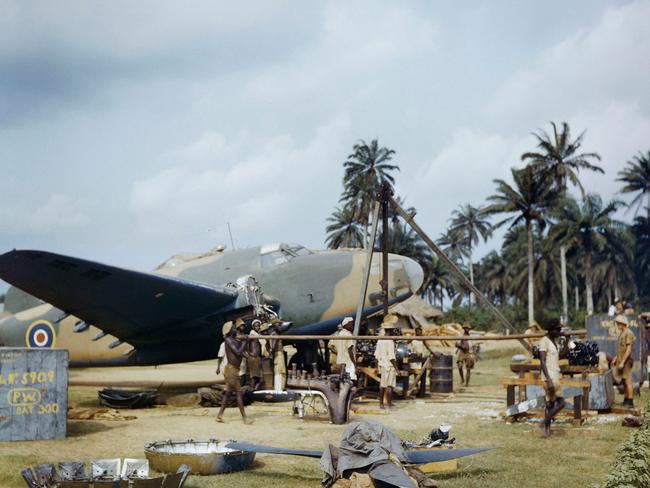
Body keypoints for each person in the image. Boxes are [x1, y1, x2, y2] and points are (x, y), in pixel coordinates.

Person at [216, 321, 253, 424]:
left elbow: (241, 352)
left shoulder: (234, 340)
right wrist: (245, 341)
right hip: (231, 370)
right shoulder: (228, 339)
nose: (235, 329)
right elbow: (237, 351)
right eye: (233, 328)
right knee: (239, 393)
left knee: (228, 394)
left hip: (234, 369)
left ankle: (219, 416)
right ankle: (245, 418)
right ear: (229, 331)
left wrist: (245, 344)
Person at [538, 318, 565, 436]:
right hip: (549, 376)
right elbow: (542, 361)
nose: (559, 331)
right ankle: (544, 422)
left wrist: (568, 341)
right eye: (558, 329)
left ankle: (546, 429)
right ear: (551, 330)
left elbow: (561, 355)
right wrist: (548, 379)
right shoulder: (544, 341)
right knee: (561, 403)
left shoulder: (555, 341)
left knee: (550, 403)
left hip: (555, 374)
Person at [374, 314, 399, 410]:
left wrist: (377, 367)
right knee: (389, 386)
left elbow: (376, 356)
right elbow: (392, 357)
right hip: (390, 366)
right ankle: (388, 403)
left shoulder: (380, 341)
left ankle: (381, 404)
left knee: (382, 386)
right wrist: (397, 369)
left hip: (382, 365)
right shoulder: (390, 341)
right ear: (391, 330)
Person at [615, 315, 636, 408]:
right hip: (621, 360)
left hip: (626, 361)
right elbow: (621, 349)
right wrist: (616, 358)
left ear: (622, 324)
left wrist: (623, 362)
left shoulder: (629, 333)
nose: (617, 325)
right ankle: (626, 398)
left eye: (618, 323)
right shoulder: (622, 333)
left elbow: (628, 350)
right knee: (624, 380)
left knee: (627, 380)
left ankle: (630, 400)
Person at [410, 325, 434, 397]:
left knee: (421, 375)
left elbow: (427, 346)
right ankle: (416, 388)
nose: (419, 333)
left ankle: (420, 391)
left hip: (421, 358)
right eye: (418, 332)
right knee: (415, 373)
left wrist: (432, 352)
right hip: (414, 358)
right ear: (416, 332)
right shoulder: (412, 339)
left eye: (420, 332)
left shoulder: (422, 339)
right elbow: (406, 343)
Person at [455, 323, 475, 387]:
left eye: (468, 328)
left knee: (468, 368)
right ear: (464, 329)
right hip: (462, 352)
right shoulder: (461, 335)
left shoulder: (471, 336)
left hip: (469, 352)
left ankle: (467, 383)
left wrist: (473, 353)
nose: (467, 329)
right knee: (460, 365)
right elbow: (460, 344)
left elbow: (471, 346)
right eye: (465, 328)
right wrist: (458, 346)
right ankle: (462, 379)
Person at [269, 321, 287, 391]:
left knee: (278, 371)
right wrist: (272, 354)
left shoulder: (273, 334)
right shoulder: (275, 334)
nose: (280, 327)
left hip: (277, 354)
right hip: (278, 354)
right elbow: (273, 347)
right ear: (274, 326)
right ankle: (279, 388)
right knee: (281, 371)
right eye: (278, 325)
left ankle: (278, 388)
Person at [247, 319, 263, 390]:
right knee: (254, 377)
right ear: (253, 327)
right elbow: (246, 343)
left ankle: (254, 390)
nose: (257, 327)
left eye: (258, 326)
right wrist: (249, 353)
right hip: (253, 357)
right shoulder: (252, 334)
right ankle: (251, 390)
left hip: (257, 357)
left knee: (259, 377)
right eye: (256, 326)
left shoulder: (258, 334)